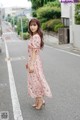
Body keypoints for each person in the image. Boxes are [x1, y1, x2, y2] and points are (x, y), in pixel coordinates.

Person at [26, 18, 52, 110]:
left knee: (36, 81)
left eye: (34, 25)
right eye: (31, 25)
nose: (32, 27)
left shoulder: (36, 36)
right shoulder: (33, 36)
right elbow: (31, 52)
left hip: (35, 62)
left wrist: (32, 64)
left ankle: (40, 100)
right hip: (33, 61)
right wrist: (28, 63)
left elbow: (34, 52)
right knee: (35, 81)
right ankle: (37, 100)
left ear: (38, 26)